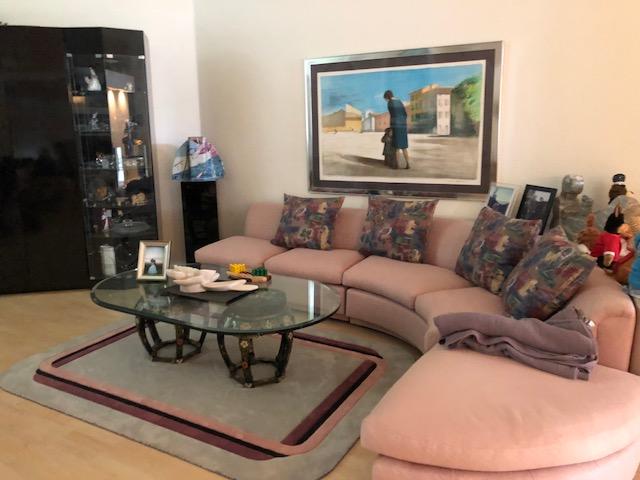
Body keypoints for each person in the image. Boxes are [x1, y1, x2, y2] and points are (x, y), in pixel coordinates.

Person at [384, 90, 410, 169]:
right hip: (403, 126)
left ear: (387, 97)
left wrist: (391, 128)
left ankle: (397, 165)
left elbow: (393, 116)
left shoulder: (390, 103)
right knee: (404, 147)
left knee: (397, 148)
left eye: (385, 98)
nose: (385, 100)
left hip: (396, 126)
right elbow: (405, 114)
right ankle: (408, 164)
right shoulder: (399, 101)